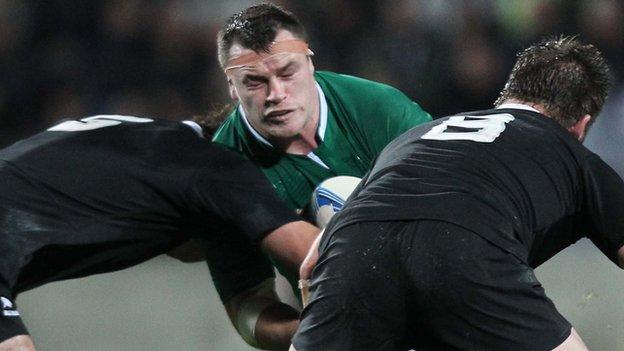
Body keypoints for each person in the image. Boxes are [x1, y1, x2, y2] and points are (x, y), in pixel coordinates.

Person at [292, 37, 624, 351]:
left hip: (354, 246)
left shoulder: (417, 137)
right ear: (581, 125)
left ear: (506, 96)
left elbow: (316, 257)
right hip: (461, 247)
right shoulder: (574, 156)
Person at [0, 115, 319, 351]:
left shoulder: (154, 145)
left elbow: (250, 307)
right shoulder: (214, 165)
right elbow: (325, 257)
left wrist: (309, 332)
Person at [212, 3, 432, 213]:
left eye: (288, 73)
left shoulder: (377, 108)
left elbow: (446, 179)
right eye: (255, 81)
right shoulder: (224, 171)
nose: (276, 94)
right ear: (232, 86)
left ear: (310, 63)